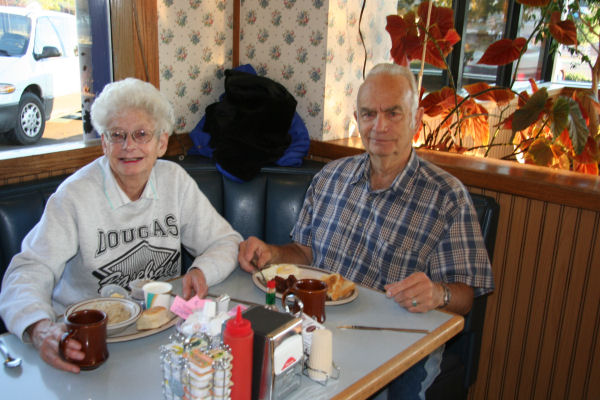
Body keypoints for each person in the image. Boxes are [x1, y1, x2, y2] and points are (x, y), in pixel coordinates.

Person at [238, 63, 494, 399]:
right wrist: (272, 254)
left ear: (416, 122)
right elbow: (303, 254)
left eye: (393, 113)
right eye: (369, 114)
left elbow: (465, 297)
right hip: (318, 327)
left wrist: (438, 294)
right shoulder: (330, 177)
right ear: (357, 120)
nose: (379, 126)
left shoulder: (448, 197)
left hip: (398, 343)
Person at [0, 78, 243, 373]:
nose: (129, 147)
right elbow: (27, 271)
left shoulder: (175, 182)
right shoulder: (75, 196)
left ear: (161, 143)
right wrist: (40, 330)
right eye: (117, 135)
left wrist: (201, 270)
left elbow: (225, 241)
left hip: (161, 338)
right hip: (88, 347)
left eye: (141, 134)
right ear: (104, 143)